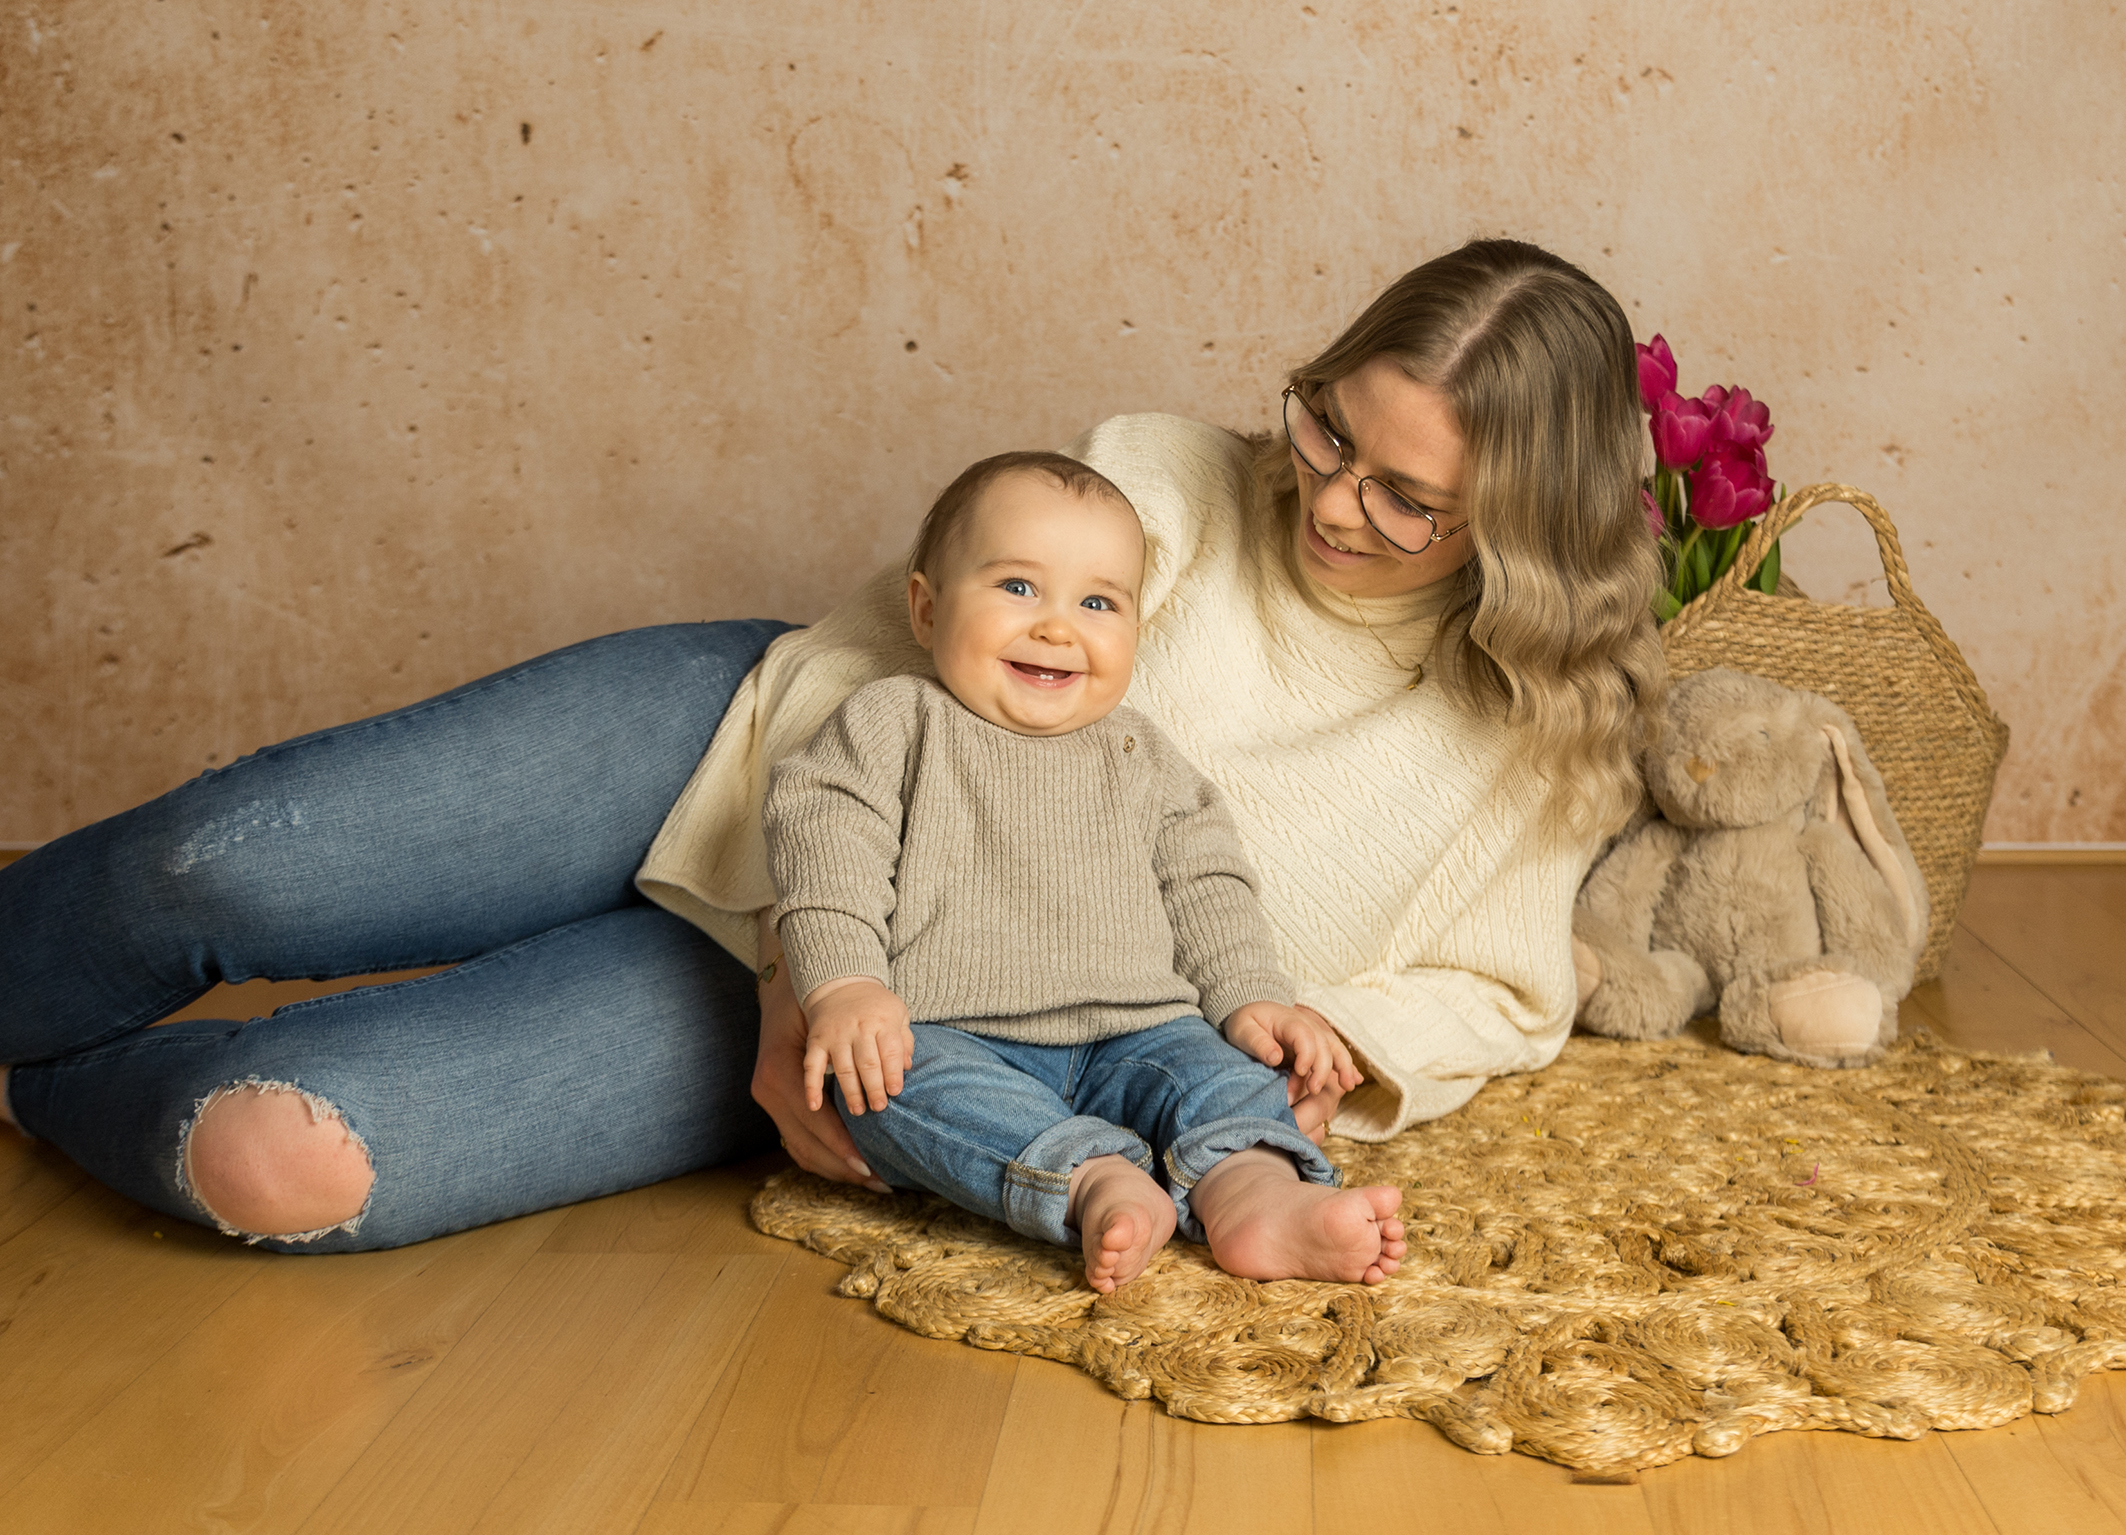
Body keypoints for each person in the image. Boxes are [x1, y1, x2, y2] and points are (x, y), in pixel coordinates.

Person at [0, 238, 1662, 1254]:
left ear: (1522, 526)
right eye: (1323, 424)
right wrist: (811, 965)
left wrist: (1312, 1039)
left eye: (1407, 499)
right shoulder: (1157, 480)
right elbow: (874, 658)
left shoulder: (1533, 738)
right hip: (726, 753)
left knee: (274, 1161)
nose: (1324, 496)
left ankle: (38, 1082)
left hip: (904, 1022)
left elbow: (1503, 990)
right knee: (204, 866)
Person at [765, 450, 1402, 1292]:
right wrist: (844, 985)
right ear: (926, 607)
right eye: (1018, 588)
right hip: (954, 1031)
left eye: (1098, 602)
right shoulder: (894, 723)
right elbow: (826, 848)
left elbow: (1205, 884)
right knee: (881, 1088)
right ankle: (1090, 1180)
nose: (1057, 627)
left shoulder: (1140, 753)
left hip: (1140, 1031)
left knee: (1227, 1079)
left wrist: (1254, 996)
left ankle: (1255, 1195)